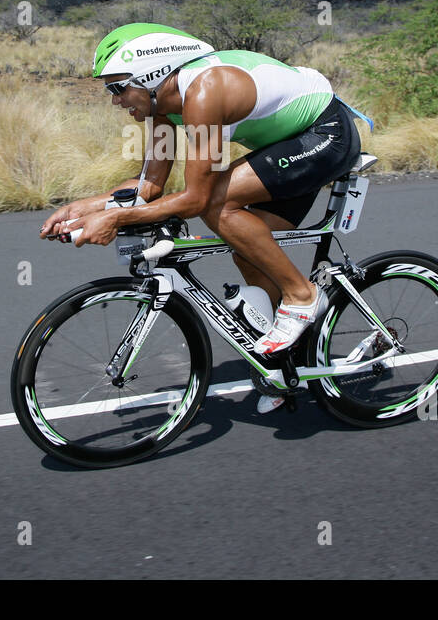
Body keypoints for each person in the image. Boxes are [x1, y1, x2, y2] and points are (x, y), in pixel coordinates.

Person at [39, 22, 363, 410]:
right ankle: (284, 366)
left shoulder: (205, 93)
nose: (115, 100)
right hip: (284, 147)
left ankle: (302, 295)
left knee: (217, 206)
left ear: (153, 76)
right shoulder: (164, 110)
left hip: (324, 135)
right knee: (248, 243)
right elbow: (149, 187)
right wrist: (86, 207)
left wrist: (116, 220)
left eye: (117, 87)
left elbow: (196, 199)